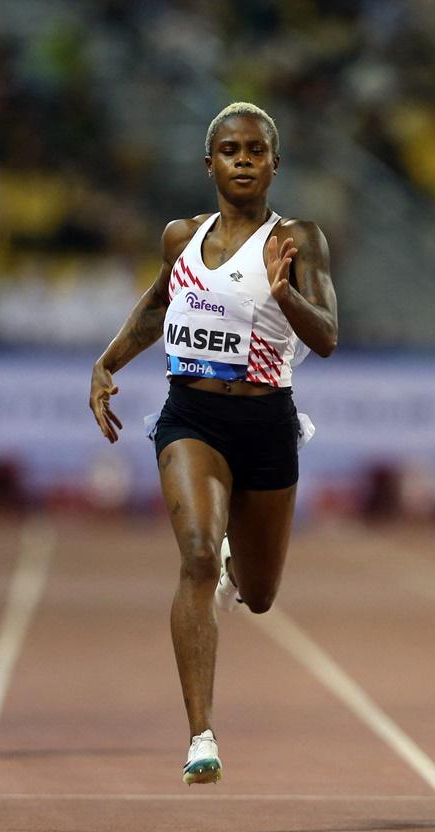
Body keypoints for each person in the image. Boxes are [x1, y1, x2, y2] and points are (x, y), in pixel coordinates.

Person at [89, 102, 338, 784]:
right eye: (231, 149)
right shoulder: (182, 236)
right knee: (196, 555)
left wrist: (287, 297)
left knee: (258, 594)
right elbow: (158, 302)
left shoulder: (297, 239)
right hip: (191, 416)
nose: (245, 159)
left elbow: (327, 336)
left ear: (275, 163)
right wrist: (109, 360)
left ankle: (236, 568)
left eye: (258, 149)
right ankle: (201, 732)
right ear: (210, 163)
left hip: (266, 423)